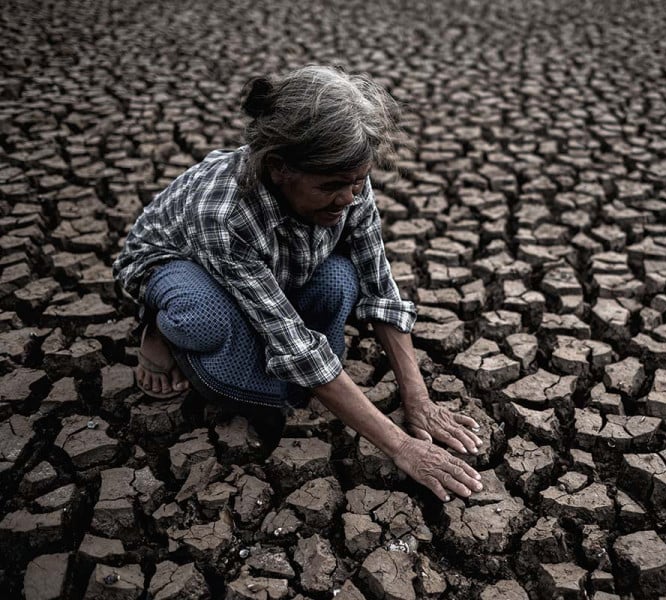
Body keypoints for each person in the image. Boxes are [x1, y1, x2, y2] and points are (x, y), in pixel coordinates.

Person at [113, 65, 483, 502]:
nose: (348, 199)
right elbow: (295, 347)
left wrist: (417, 398)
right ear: (279, 168)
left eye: (358, 182)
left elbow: (379, 288)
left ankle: (258, 338)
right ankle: (158, 327)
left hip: (270, 271)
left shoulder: (347, 183)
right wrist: (402, 446)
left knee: (341, 281)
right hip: (180, 267)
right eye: (332, 186)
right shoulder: (225, 213)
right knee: (232, 363)